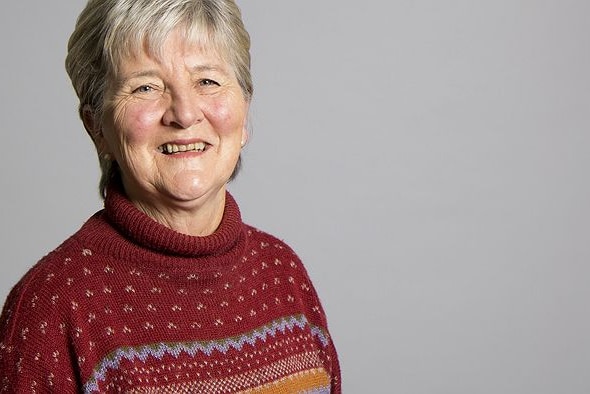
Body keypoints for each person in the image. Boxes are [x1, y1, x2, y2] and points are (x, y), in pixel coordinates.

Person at [0, 0, 341, 392]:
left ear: (243, 112)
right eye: (146, 87)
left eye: (207, 81)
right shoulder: (53, 306)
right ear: (96, 126)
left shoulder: (283, 274)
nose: (183, 113)